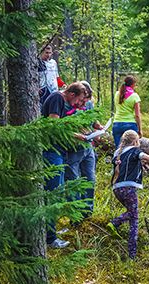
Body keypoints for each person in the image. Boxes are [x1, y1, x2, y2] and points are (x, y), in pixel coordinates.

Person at [106, 130, 149, 259]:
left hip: (117, 189)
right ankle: (116, 225)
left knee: (132, 214)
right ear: (135, 141)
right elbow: (147, 157)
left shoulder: (118, 153)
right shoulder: (135, 151)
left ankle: (131, 252)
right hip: (129, 188)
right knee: (134, 217)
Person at [42, 82, 87, 248]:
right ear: (71, 94)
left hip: (59, 151)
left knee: (57, 191)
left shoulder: (63, 101)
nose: (77, 104)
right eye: (79, 100)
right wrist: (76, 135)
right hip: (51, 151)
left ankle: (50, 232)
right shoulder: (56, 98)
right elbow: (54, 125)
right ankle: (49, 239)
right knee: (52, 193)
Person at [65, 81, 102, 219]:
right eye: (82, 100)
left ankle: (87, 212)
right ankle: (75, 215)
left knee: (90, 179)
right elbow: (66, 125)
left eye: (86, 100)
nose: (83, 103)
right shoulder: (68, 104)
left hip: (88, 148)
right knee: (73, 181)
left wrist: (99, 128)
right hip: (74, 148)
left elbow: (93, 120)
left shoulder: (89, 104)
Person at [112, 76, 142, 147]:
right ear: (132, 85)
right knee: (131, 149)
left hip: (117, 124)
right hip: (130, 124)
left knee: (118, 149)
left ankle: (117, 158)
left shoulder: (117, 94)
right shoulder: (135, 96)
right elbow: (137, 115)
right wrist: (140, 129)